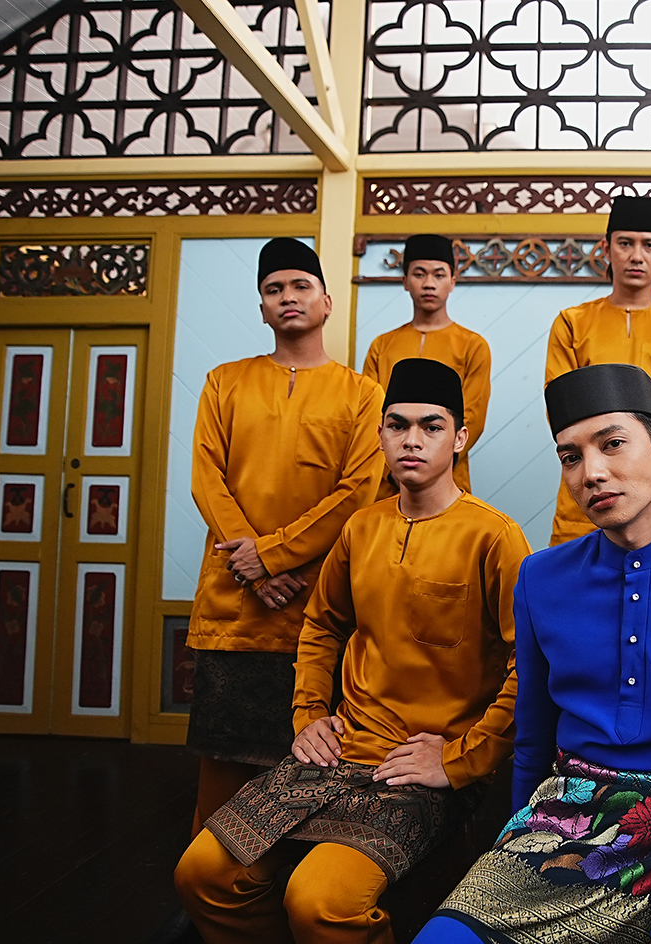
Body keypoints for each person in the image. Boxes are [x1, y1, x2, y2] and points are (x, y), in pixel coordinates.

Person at [414, 364, 651, 944]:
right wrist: (521, 848)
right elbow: (533, 740)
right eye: (570, 457)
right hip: (568, 818)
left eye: (613, 443)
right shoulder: (541, 580)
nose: (591, 472)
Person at [175, 358, 530, 944]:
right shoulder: (361, 528)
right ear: (381, 435)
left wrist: (461, 759)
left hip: (423, 765)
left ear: (460, 438)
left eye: (432, 426)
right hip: (340, 750)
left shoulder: (494, 536)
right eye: (397, 425)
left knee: (319, 902)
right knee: (202, 874)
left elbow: (530, 666)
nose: (412, 440)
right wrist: (309, 714)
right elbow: (321, 625)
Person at [185, 237, 385, 836]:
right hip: (234, 606)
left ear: (327, 302)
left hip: (317, 603)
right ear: (262, 309)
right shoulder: (225, 382)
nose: (288, 297)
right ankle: (210, 881)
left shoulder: (362, 394)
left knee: (312, 770)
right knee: (222, 767)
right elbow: (206, 478)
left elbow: (357, 491)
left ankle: (290, 882)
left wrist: (270, 557)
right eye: (274, 289)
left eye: (301, 286)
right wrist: (254, 565)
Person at [544, 196, 651, 545]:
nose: (637, 256)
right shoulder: (572, 323)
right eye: (625, 243)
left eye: (649, 245)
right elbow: (561, 410)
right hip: (591, 485)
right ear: (606, 248)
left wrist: (650, 462)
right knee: (577, 574)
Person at [362, 233, 491, 497]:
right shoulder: (382, 346)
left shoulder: (472, 345)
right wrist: (392, 469)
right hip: (388, 481)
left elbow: (472, 417)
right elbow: (370, 414)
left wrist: (431, 466)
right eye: (419, 274)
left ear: (452, 282)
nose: (429, 284)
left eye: (439, 275)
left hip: (449, 478)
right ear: (405, 282)